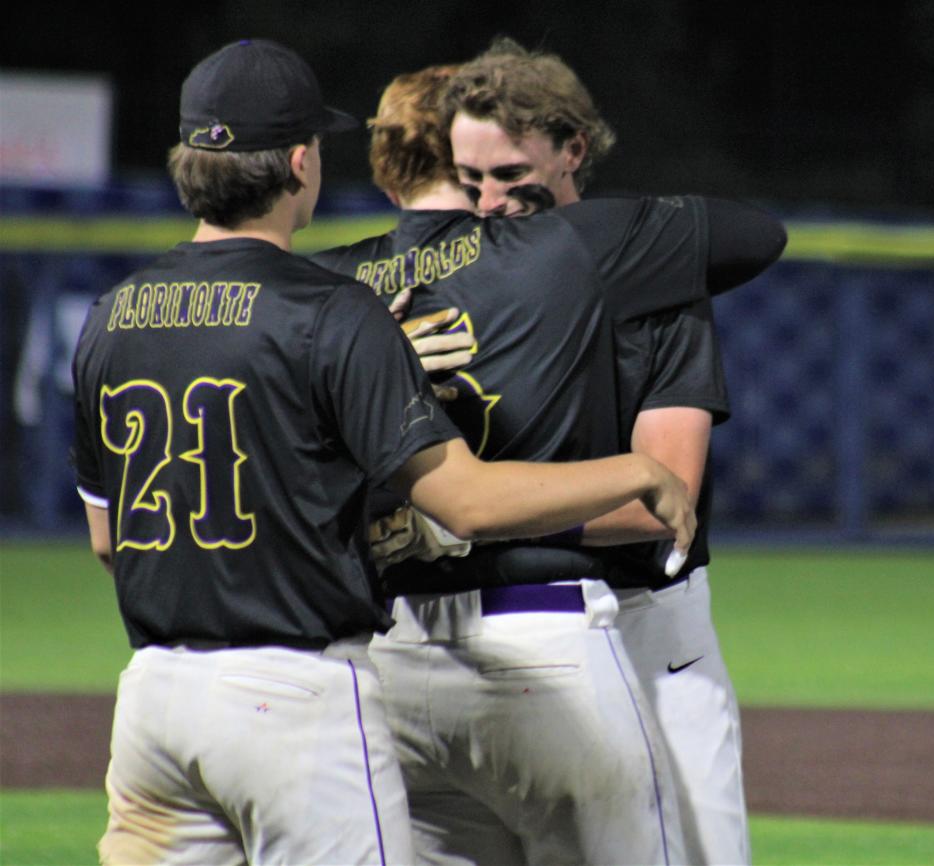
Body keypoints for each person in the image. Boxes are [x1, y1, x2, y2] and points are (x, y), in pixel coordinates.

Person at [70, 40, 698, 866]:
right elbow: (464, 504)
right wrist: (635, 471)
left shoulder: (110, 316)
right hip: (292, 697)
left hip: (152, 703)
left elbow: (110, 541)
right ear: (299, 163)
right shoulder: (331, 312)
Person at [311, 60, 784, 865]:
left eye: (511, 175)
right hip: (497, 632)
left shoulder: (655, 281)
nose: (490, 203)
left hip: (642, 623)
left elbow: (655, 508)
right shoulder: (431, 289)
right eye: (470, 180)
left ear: (572, 151)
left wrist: (462, 519)